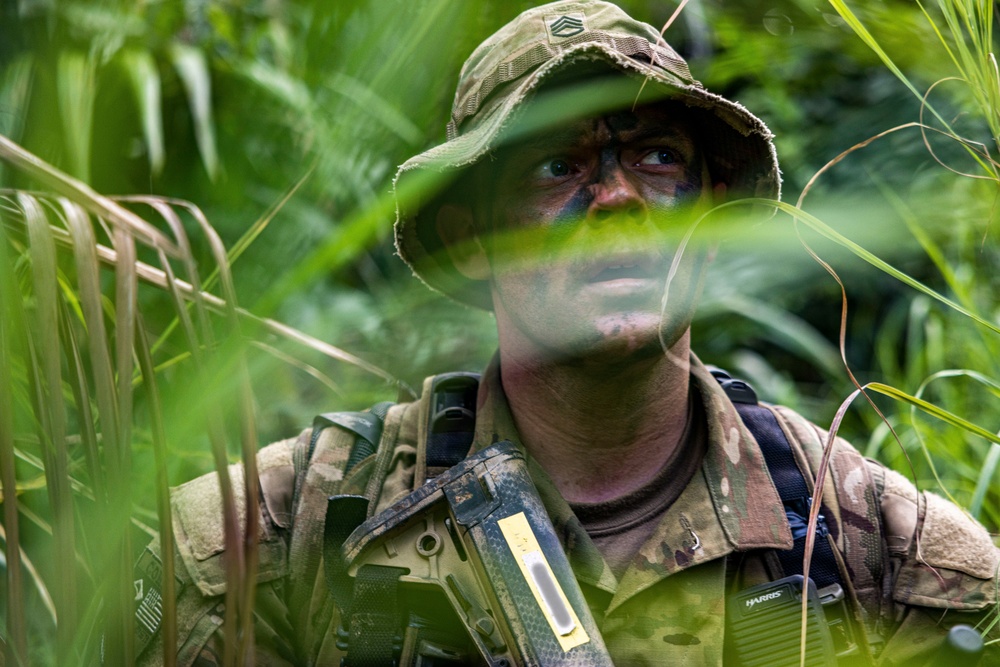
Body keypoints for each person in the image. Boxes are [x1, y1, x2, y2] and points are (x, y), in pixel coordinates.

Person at [135, 2, 1000, 665]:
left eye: (658, 157)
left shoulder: (878, 549)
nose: (619, 200)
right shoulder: (287, 532)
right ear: (473, 237)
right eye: (559, 166)